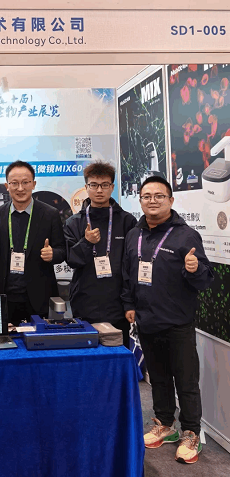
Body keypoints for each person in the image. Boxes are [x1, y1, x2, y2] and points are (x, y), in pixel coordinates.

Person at [121, 176, 213, 464]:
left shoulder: (186, 236)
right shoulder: (134, 235)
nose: (152, 201)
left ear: (171, 200)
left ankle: (191, 432)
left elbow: (205, 280)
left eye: (159, 196)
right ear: (140, 200)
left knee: (186, 382)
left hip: (178, 322)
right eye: (146, 196)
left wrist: (195, 269)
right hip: (147, 320)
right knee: (158, 379)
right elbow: (128, 274)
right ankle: (165, 424)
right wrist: (129, 304)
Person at [64, 161, 137, 348]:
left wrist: (129, 302)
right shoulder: (74, 222)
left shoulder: (127, 221)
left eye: (104, 185)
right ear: (86, 187)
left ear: (112, 187)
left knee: (118, 352)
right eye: (94, 185)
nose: (99, 190)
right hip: (84, 301)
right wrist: (87, 242)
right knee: (86, 354)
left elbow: (132, 264)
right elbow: (71, 259)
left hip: (117, 303)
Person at [0, 160, 66, 323]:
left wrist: (53, 254)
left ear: (34, 184)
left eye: (25, 182)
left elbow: (62, 250)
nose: (20, 188)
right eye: (14, 183)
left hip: (39, 296)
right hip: (6, 296)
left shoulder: (50, 214)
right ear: (7, 186)